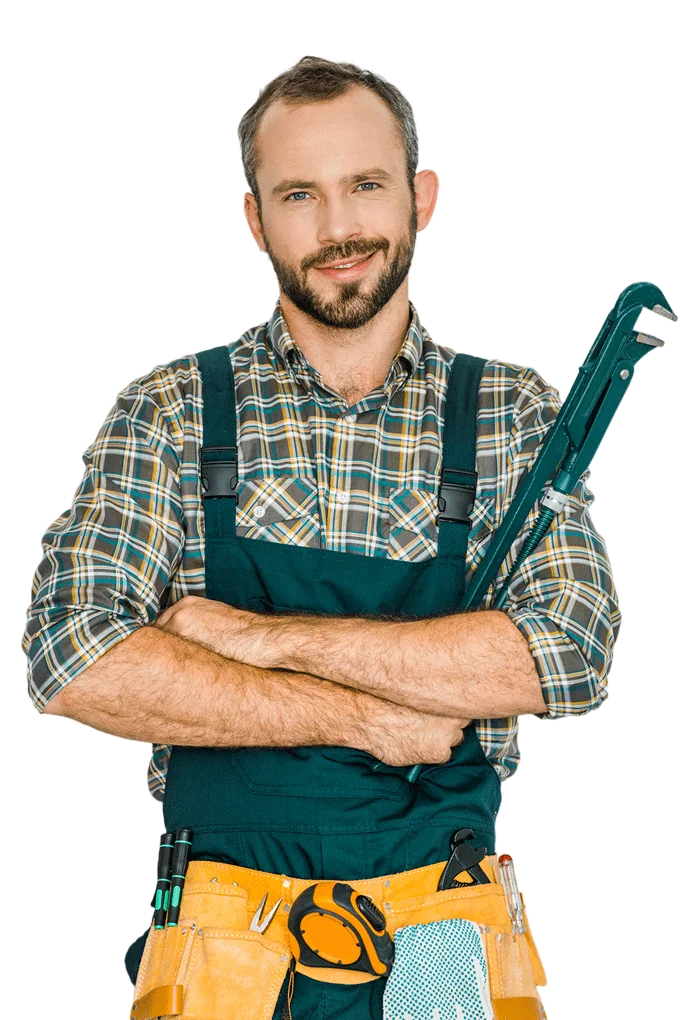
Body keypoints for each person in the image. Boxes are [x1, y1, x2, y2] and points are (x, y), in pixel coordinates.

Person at [21, 55, 620, 1019]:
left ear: (421, 198)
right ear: (254, 219)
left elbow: (565, 655)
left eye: (366, 186)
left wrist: (259, 638)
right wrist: (361, 717)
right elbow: (72, 654)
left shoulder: (509, 413)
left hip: (443, 940)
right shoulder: (171, 414)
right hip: (225, 945)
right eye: (299, 193)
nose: (338, 227)